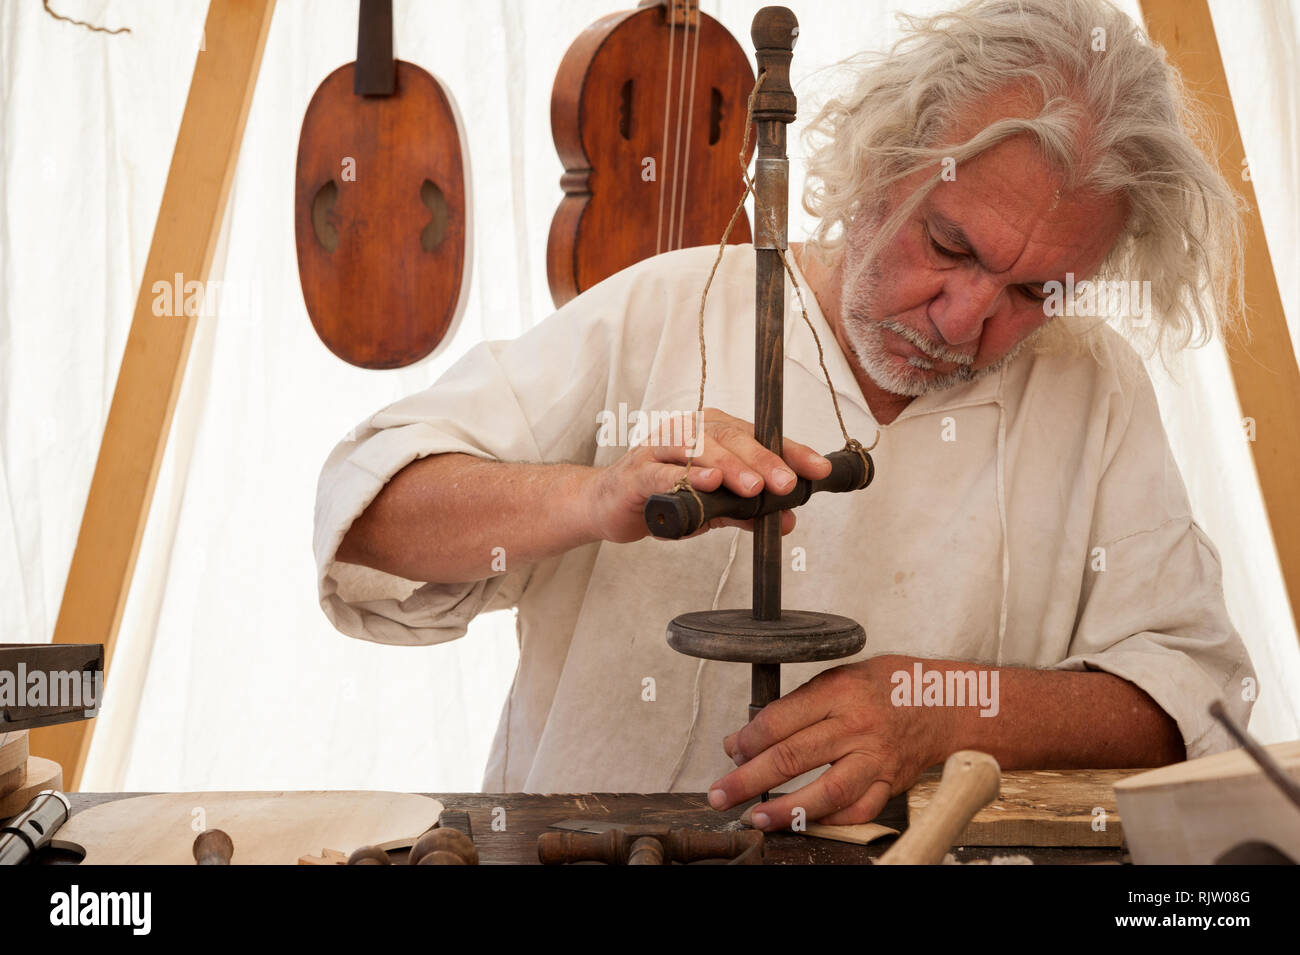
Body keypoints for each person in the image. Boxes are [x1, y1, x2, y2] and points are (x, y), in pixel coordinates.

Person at [313, 0, 1253, 830]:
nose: (966, 319)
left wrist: (945, 712)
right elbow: (371, 521)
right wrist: (596, 496)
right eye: (948, 243)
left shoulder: (1091, 384)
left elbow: (1189, 692)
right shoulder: (664, 309)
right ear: (883, 162)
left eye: (1034, 290)